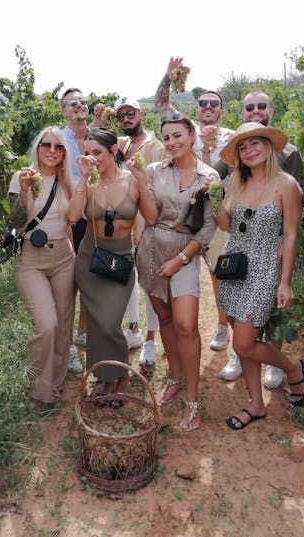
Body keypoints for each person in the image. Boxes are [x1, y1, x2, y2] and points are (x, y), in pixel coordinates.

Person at [214, 122, 304, 429]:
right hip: (233, 268)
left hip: (264, 270)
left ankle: (293, 368)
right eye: (242, 146)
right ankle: (255, 404)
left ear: (268, 147)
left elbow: (291, 235)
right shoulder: (236, 183)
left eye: (255, 143)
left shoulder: (287, 185)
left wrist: (285, 281)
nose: (249, 150)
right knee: (241, 337)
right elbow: (226, 224)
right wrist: (215, 199)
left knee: (243, 344)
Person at [136, 114, 219, 431]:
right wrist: (140, 185)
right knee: (165, 317)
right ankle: (175, 376)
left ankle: (193, 402)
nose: (172, 143)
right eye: (166, 137)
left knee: (186, 324)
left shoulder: (208, 177)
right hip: (153, 249)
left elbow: (208, 227)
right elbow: (152, 215)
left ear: (192, 135)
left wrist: (181, 259)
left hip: (185, 253)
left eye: (177, 136)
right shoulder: (155, 171)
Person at [67, 128, 156, 396]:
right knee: (96, 325)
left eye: (98, 153)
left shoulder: (131, 180)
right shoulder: (89, 182)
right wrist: (82, 179)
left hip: (120, 260)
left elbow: (151, 217)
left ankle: (122, 375)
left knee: (108, 323)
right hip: (89, 260)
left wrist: (142, 179)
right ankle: (104, 380)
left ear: (113, 151)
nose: (92, 159)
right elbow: (72, 216)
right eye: (87, 153)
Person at [154, 57, 235, 354]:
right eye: (203, 103)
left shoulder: (232, 137)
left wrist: (212, 149)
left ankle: (223, 326)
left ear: (222, 110)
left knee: (218, 274)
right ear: (197, 108)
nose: (209, 107)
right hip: (182, 215)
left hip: (214, 216)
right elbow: (161, 104)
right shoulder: (184, 130)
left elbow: (220, 175)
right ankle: (175, 332)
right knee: (178, 271)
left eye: (214, 103)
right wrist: (168, 76)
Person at [8, 126, 75, 411]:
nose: (51, 150)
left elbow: (73, 219)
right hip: (31, 261)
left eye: (58, 147)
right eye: (46, 145)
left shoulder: (66, 180)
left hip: (63, 258)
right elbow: (15, 222)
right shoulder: (22, 177)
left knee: (62, 326)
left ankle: (54, 386)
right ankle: (38, 390)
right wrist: (23, 192)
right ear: (37, 148)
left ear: (63, 154)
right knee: (45, 324)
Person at [113, 95, 166, 365]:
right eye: (121, 116)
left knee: (150, 283)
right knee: (127, 279)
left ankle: (150, 339)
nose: (126, 119)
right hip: (124, 224)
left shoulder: (156, 147)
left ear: (141, 114)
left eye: (130, 113)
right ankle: (132, 330)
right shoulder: (118, 146)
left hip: (148, 224)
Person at [60, 87, 101, 373]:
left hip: (96, 217)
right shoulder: (58, 140)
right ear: (63, 111)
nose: (78, 106)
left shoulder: (94, 135)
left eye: (82, 101)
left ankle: (84, 332)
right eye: (72, 103)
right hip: (70, 218)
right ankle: (69, 348)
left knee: (91, 277)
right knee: (68, 284)